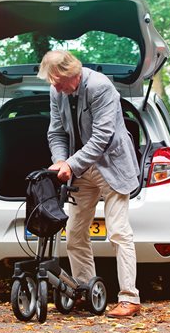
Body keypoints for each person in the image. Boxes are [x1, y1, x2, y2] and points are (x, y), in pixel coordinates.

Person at [37, 50, 141, 318]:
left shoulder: (100, 87)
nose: (56, 88)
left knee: (118, 231)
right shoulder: (56, 90)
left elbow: (102, 137)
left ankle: (130, 298)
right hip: (79, 168)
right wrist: (60, 161)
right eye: (53, 83)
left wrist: (70, 164)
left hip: (111, 165)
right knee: (74, 234)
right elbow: (56, 131)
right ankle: (86, 293)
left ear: (72, 73)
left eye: (59, 82)